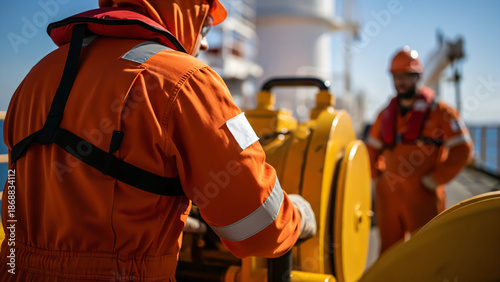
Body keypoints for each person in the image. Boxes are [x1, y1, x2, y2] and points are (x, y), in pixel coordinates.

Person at [0, 0, 317, 280]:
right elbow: (259, 228)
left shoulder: (35, 76)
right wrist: (299, 216)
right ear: (182, 10)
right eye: (204, 25)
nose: (204, 45)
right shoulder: (186, 81)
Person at [366, 46, 473, 255]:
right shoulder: (384, 115)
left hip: (424, 196)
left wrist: (435, 179)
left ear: (418, 77)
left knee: (428, 254)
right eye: (396, 76)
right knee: (389, 256)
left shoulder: (441, 112)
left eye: (406, 76)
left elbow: (463, 149)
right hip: (388, 198)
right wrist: (377, 178)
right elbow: (371, 150)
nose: (401, 82)